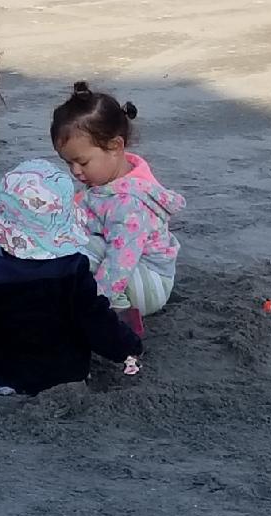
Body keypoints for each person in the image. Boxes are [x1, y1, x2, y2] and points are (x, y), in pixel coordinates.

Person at [0, 159, 142, 396]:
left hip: (2, 377)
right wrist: (129, 347)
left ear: (5, 231)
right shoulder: (76, 271)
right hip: (66, 377)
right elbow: (99, 324)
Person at [51, 83, 184, 336]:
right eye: (68, 163)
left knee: (82, 250)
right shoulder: (106, 182)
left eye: (82, 162)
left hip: (148, 284)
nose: (75, 171)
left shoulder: (128, 203)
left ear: (115, 147)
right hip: (133, 273)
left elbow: (120, 261)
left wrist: (96, 303)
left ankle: (116, 314)